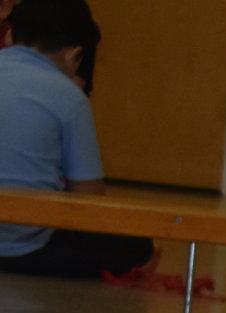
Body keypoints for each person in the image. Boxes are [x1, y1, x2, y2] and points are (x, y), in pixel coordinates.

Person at [0, 0, 153, 278]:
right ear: (73, 56)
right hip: (26, 248)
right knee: (136, 244)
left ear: (9, 35)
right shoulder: (70, 97)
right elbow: (88, 198)